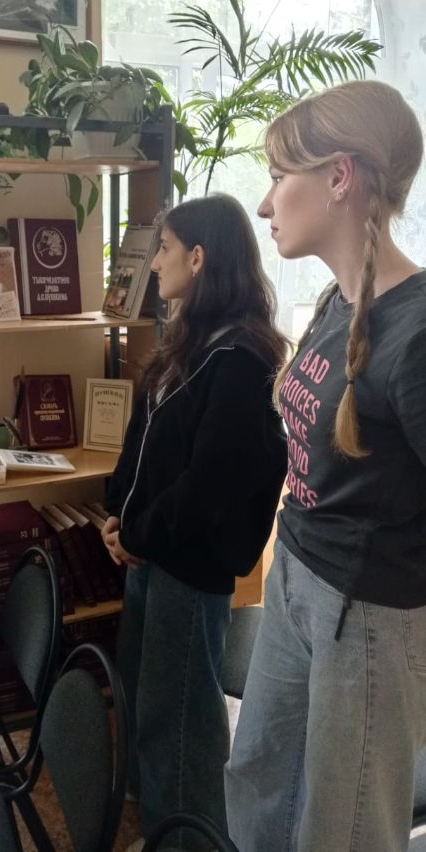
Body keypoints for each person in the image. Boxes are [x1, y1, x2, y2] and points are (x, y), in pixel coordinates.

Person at [225, 80, 426, 852]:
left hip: (367, 615)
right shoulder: (341, 302)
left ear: (339, 177)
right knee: (257, 782)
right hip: (297, 576)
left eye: (280, 176)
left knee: (340, 832)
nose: (265, 203)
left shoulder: (415, 334)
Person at [102, 193, 289, 850]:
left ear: (199, 258)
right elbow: (145, 440)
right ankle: (158, 818)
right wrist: (117, 516)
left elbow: (209, 482)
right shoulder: (189, 340)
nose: (154, 263)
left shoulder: (238, 357)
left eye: (165, 249)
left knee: (179, 715)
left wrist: (137, 531)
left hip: (188, 562)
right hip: (152, 552)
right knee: (145, 696)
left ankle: (188, 839)